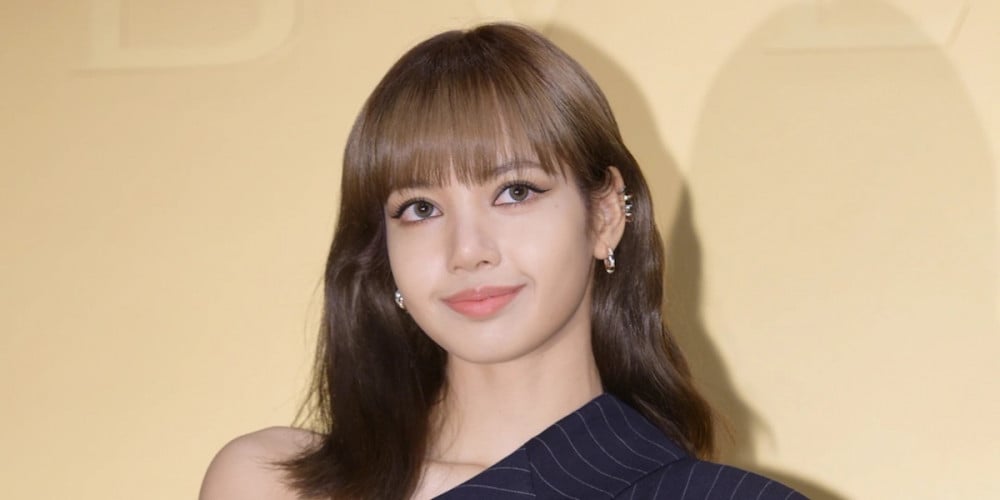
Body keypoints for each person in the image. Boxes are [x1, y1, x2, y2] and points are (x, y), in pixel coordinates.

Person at [200, 23, 805, 500]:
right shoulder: (270, 484)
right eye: (419, 208)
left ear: (603, 216)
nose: (467, 251)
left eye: (515, 192)